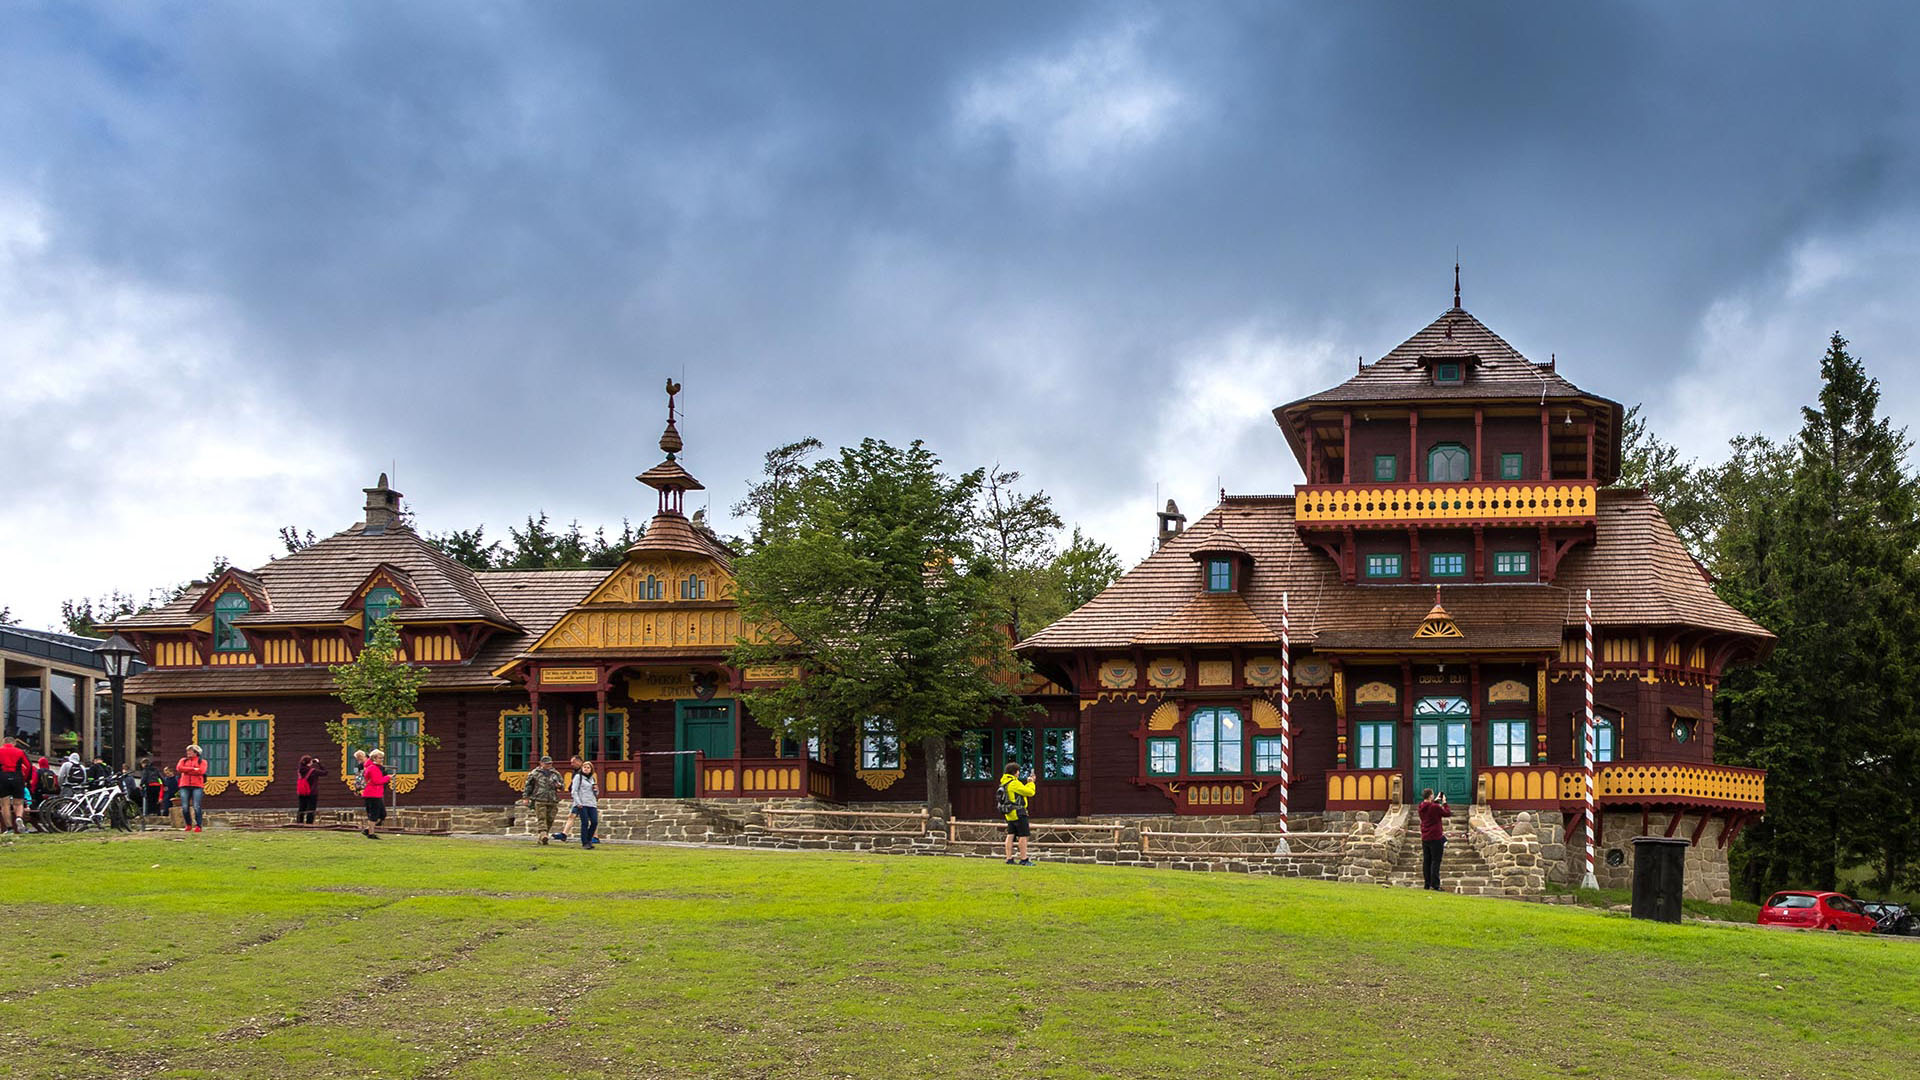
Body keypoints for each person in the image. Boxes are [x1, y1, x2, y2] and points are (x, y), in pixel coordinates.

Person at [999, 762, 1036, 866]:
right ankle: (1023, 859)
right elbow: (1030, 792)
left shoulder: (1004, 782)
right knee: (1023, 836)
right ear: (1015, 772)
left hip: (1009, 813)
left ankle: (1009, 858)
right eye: (1018, 771)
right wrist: (1031, 783)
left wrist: (1027, 784)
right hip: (1019, 812)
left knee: (1010, 835)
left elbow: (1020, 792)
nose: (1019, 773)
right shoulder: (1014, 783)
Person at [522, 756, 563, 846]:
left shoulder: (555, 774)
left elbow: (562, 786)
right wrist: (526, 798)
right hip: (539, 798)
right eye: (546, 764)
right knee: (542, 818)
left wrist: (559, 786)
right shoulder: (535, 773)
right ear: (541, 763)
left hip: (552, 799)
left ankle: (543, 837)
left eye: (550, 763)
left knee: (550, 819)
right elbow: (528, 786)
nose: (548, 765)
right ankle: (543, 833)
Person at [1418, 788, 1452, 891]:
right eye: (1432, 795)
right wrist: (1444, 803)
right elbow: (1447, 813)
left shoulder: (1421, 806)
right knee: (1435, 861)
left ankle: (1427, 884)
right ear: (1430, 796)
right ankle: (1435, 884)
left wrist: (1436, 801)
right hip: (1435, 837)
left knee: (1427, 861)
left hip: (1425, 837)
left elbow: (1430, 809)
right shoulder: (1435, 807)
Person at [174, 745, 208, 832]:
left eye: (190, 751)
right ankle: (188, 824)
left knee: (196, 806)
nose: (188, 753)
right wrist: (193, 769)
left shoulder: (202, 761)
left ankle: (198, 826)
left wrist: (186, 771)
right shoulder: (183, 760)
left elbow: (201, 771)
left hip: (197, 786)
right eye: (187, 751)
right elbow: (179, 768)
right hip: (184, 785)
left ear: (196, 753)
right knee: (185, 806)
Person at [0, 737, 29, 836]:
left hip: (2, 777)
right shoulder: (20, 752)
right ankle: (19, 818)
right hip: (17, 777)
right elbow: (28, 765)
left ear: (3, 742)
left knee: (5, 805)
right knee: (18, 803)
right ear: (14, 743)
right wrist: (26, 778)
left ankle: (9, 828)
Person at [570, 760, 600, 849]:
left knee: (594, 822)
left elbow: (596, 793)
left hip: (592, 803)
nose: (586, 769)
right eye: (584, 767)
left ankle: (589, 839)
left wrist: (596, 790)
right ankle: (585, 842)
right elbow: (574, 791)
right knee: (585, 822)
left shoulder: (592, 779)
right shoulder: (578, 777)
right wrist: (578, 802)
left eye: (588, 768)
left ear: (591, 769)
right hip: (582, 803)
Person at [359, 749, 388, 838]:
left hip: (377, 793)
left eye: (382, 758)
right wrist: (388, 778)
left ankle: (367, 830)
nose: (381, 760)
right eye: (380, 758)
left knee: (382, 814)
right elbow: (377, 781)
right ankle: (371, 833)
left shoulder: (376, 767)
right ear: (374, 758)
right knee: (374, 814)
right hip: (372, 793)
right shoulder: (372, 768)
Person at [295, 755, 325, 824]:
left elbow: (303, 765)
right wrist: (318, 763)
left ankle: (299, 823)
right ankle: (309, 824)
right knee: (311, 809)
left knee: (301, 808)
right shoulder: (313, 771)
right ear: (309, 762)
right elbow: (325, 772)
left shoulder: (299, 770)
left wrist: (310, 762)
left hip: (302, 792)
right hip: (312, 792)